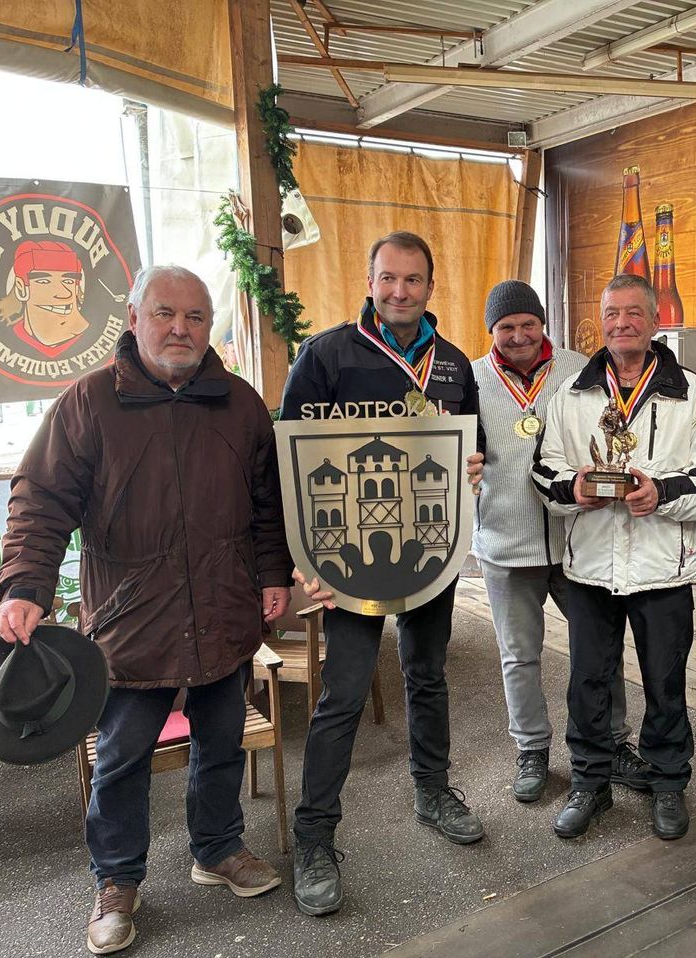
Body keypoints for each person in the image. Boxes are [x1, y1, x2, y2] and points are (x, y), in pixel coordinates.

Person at [0, 264, 292, 955]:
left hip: (224, 611)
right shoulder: (87, 404)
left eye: (194, 317)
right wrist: (24, 586)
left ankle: (217, 849)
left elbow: (266, 508)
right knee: (122, 759)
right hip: (131, 622)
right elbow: (40, 501)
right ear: (133, 319)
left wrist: (273, 575)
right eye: (165, 314)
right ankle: (117, 881)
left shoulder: (241, 405)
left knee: (221, 742)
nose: (180, 329)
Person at [279, 230, 483, 917]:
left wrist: (473, 467)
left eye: (413, 280)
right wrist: (303, 559)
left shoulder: (452, 364)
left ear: (430, 286)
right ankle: (313, 837)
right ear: (370, 282)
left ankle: (433, 790)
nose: (400, 291)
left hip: (428, 552)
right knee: (342, 693)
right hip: (348, 562)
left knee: (428, 675)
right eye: (388, 279)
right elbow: (294, 461)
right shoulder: (326, 355)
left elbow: (472, 447)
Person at [531, 273, 696, 840]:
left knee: (665, 681)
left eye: (634, 314)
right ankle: (590, 783)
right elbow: (543, 471)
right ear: (602, 320)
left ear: (653, 321)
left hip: (662, 565)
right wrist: (576, 488)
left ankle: (669, 783)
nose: (623, 323)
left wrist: (660, 493)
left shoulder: (692, 392)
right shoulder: (570, 392)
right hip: (591, 566)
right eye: (613, 314)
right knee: (587, 681)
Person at [467, 279, 651, 802]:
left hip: (579, 538)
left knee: (601, 650)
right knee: (518, 655)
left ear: (543, 323)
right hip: (507, 539)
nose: (520, 335)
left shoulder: (579, 368)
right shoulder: (473, 379)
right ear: (492, 331)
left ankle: (613, 742)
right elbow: (454, 448)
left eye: (529, 324)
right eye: (507, 327)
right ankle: (531, 750)